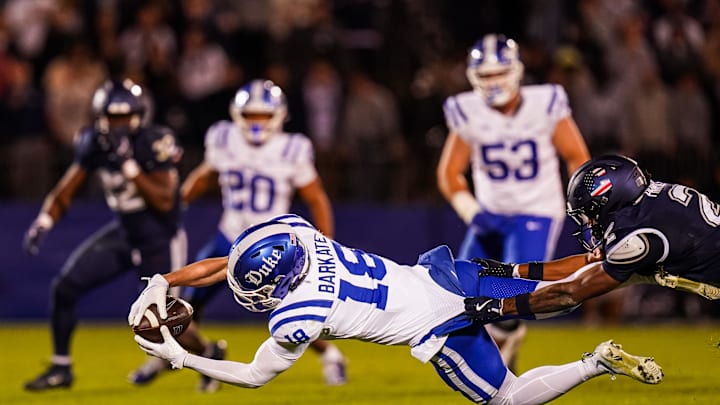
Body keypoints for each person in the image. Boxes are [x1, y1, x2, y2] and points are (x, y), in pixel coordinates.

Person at [128, 214, 663, 404]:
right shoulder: (297, 236)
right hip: (445, 274)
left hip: (443, 326)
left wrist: (180, 356)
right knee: (541, 275)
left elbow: (250, 375)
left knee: (505, 399)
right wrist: (164, 281)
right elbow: (231, 261)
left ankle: (596, 362)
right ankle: (617, 264)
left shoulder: (300, 315)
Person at [128, 79, 347, 391]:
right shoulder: (224, 138)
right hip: (229, 236)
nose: (256, 122)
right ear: (237, 115)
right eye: (250, 115)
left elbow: (316, 197)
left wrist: (326, 241)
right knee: (189, 303)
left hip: (273, 246)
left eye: (263, 115)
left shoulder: (292, 147)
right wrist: (175, 207)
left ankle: (331, 356)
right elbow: (204, 177)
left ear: (279, 116)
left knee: (287, 313)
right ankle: (185, 356)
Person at [22, 78, 189, 391]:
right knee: (65, 288)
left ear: (140, 115)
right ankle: (61, 367)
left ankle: (208, 352)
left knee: (164, 322)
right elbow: (65, 191)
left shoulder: (155, 141)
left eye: (124, 117)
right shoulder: (94, 144)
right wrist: (44, 220)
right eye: (112, 118)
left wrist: (130, 167)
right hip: (125, 232)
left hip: (159, 236)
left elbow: (165, 202)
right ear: (100, 117)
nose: (118, 125)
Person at [436, 33, 590, 371]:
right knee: (458, 292)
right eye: (485, 75)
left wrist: (586, 208)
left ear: (516, 71)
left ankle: (505, 347)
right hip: (490, 214)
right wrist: (472, 212)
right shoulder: (468, 110)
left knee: (513, 294)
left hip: (536, 211)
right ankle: (502, 346)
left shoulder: (546, 102)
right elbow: (449, 174)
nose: (492, 82)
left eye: (498, 74)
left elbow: (576, 156)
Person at [463, 154, 720, 325]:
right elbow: (588, 262)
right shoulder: (650, 201)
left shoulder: (636, 237)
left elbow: (570, 293)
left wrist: (500, 307)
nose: (590, 223)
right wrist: (513, 271)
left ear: (607, 200)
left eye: (590, 214)